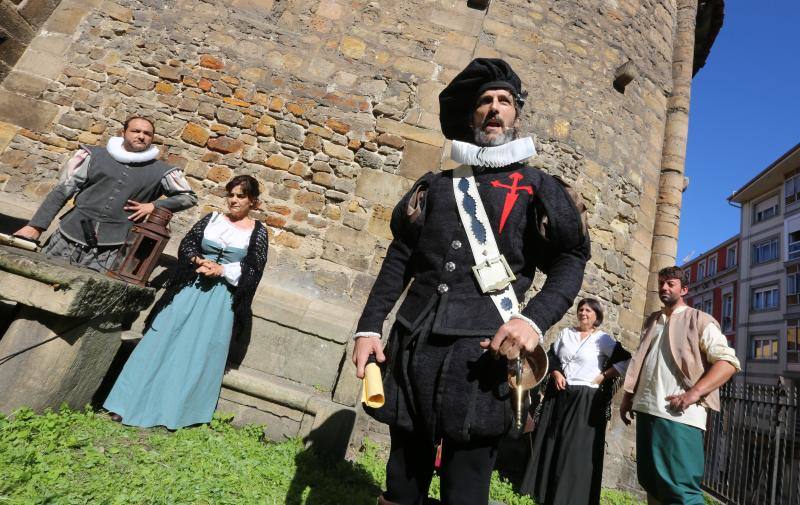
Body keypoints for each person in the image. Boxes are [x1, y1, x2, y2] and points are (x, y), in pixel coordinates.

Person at [351, 58, 591, 505]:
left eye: (504, 101)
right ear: (472, 116)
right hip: (415, 341)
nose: (495, 109)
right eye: (485, 102)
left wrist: (533, 323)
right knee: (402, 477)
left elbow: (571, 258)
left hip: (485, 353)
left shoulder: (539, 187)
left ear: (516, 115)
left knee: (466, 486)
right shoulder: (436, 185)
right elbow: (400, 256)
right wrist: (369, 327)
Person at [103, 175, 269, 429]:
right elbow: (188, 244)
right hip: (190, 289)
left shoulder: (258, 232)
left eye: (240, 196)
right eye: (231, 195)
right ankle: (125, 403)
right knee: (159, 341)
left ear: (253, 201)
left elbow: (254, 268)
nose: (233, 200)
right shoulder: (211, 219)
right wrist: (199, 261)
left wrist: (222, 271)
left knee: (195, 353)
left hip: (220, 299)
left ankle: (174, 412)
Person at [620, 266, 740, 504]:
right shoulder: (653, 320)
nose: (664, 287)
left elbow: (728, 362)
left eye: (671, 284)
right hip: (646, 409)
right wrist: (628, 397)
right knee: (651, 483)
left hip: (679, 417)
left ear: (684, 289)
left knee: (682, 491)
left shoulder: (700, 320)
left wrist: (692, 394)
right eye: (661, 283)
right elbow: (641, 361)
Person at [14, 116, 197, 272]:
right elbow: (62, 191)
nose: (141, 136)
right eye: (136, 131)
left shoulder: (163, 171)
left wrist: (154, 206)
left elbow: (189, 197)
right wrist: (36, 226)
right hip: (69, 234)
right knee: (38, 275)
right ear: (123, 132)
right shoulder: (91, 155)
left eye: (147, 134)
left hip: (114, 245)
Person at [520, 298, 630, 505]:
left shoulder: (603, 340)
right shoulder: (566, 334)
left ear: (597, 316)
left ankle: (569, 497)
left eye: (588, 311)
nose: (583, 313)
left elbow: (626, 359)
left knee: (575, 448)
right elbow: (551, 356)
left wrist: (603, 376)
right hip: (560, 394)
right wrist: (555, 372)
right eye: (581, 309)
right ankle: (543, 492)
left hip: (586, 398)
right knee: (553, 440)